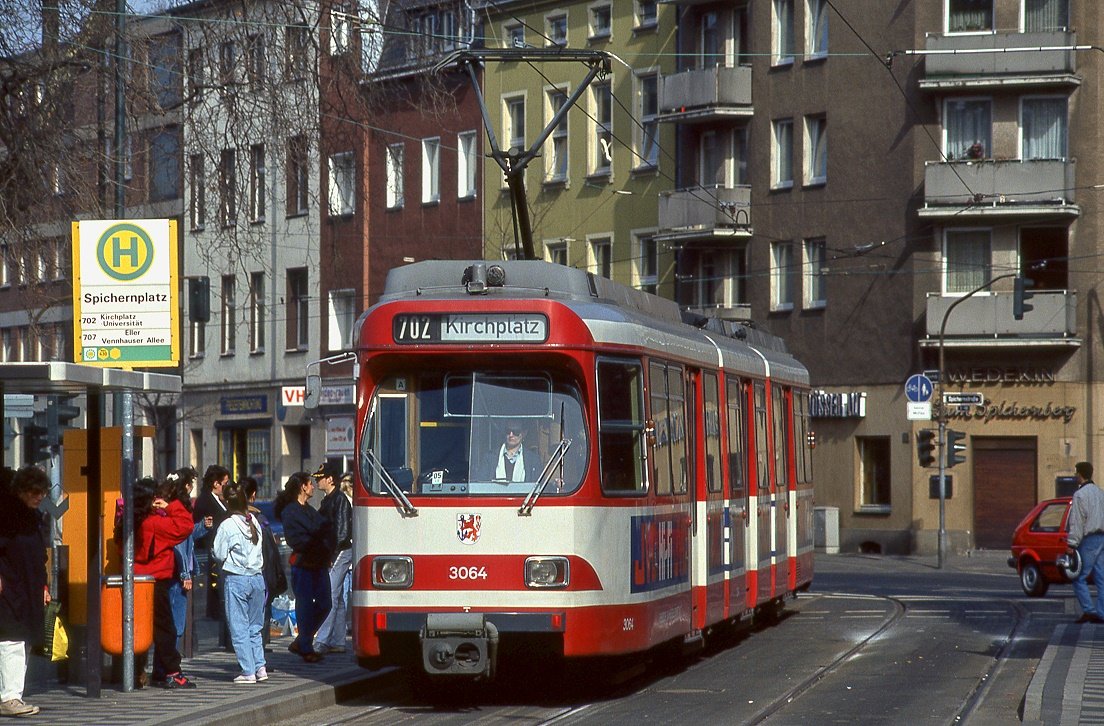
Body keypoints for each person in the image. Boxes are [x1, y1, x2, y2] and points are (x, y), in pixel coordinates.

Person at [125, 477, 196, 689]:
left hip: (135, 579)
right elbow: (185, 526)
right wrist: (171, 506)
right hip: (156, 579)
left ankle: (136, 672)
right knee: (165, 628)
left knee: (138, 628)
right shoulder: (155, 522)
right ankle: (172, 672)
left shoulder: (129, 520)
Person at [0, 466, 50, 717]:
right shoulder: (8, 517)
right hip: (10, 586)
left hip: (29, 587)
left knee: (22, 640)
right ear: (20, 490)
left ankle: (13, 694)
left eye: (42, 492)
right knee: (12, 639)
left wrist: (44, 585)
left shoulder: (34, 517)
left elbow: (40, 556)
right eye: (34, 492)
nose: (39, 496)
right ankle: (9, 696)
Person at [274, 472, 334, 663]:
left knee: (326, 603)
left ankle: (303, 639)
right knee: (305, 605)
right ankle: (306, 646)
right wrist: (319, 537)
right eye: (310, 484)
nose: (313, 487)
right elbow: (301, 538)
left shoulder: (309, 509)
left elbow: (324, 529)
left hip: (319, 562)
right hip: (303, 564)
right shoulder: (290, 511)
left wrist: (323, 542)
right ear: (303, 487)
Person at [212, 482, 267, 683]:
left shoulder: (227, 525)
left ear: (227, 502)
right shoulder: (253, 521)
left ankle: (248, 671)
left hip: (237, 578)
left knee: (239, 627)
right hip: (257, 578)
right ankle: (260, 667)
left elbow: (218, 553)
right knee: (255, 626)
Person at [159, 469, 210, 665]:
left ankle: (167, 662)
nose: (191, 488)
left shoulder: (174, 509)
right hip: (177, 572)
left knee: (173, 618)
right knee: (176, 620)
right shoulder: (175, 510)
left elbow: (188, 535)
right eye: (190, 484)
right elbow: (179, 543)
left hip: (177, 571)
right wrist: (184, 574)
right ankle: (170, 663)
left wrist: (202, 527)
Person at [313, 464, 352, 654]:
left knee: (330, 594)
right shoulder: (329, 499)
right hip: (336, 551)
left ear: (330, 479)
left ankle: (322, 640)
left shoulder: (339, 500)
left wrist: (331, 555)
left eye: (320, 477)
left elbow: (342, 532)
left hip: (339, 551)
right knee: (337, 597)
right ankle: (338, 640)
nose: (316, 481)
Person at [192, 465, 230, 641]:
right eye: (225, 483)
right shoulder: (206, 501)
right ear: (216, 484)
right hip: (210, 548)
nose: (226, 487)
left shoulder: (220, 500)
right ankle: (215, 612)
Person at [1067, 461, 1104, 624]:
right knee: (1101, 577)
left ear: (1079, 474)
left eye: (1076, 473)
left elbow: (1077, 521)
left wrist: (1072, 544)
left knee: (1078, 576)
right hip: (1102, 538)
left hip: (1088, 540)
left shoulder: (1080, 495)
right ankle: (1102, 612)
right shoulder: (1100, 493)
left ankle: (1089, 610)